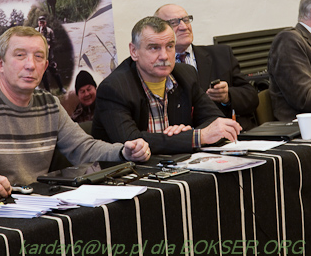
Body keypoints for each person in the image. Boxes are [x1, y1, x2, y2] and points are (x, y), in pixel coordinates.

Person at [0, 26, 150, 199]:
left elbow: (83, 148)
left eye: (38, 57)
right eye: (20, 55)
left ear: (45, 67)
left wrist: (123, 152)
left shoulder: (50, 104)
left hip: (37, 205)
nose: (30, 65)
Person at [92, 16, 242, 154]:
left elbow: (215, 120)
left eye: (170, 46)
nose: (164, 56)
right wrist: (195, 137)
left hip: (176, 165)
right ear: (134, 51)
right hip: (130, 171)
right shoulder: (114, 88)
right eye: (154, 48)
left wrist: (187, 135)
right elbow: (132, 142)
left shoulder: (186, 75)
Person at [155, 4, 259, 130]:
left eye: (186, 20)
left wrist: (227, 96)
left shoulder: (221, 55)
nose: (184, 27)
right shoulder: (156, 65)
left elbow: (251, 98)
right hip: (183, 135)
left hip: (227, 133)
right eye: (174, 23)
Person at [35, 16, 66, 93]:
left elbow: (54, 43)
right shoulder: (35, 31)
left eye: (43, 22)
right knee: (43, 74)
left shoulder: (50, 31)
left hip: (49, 55)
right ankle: (48, 91)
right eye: (40, 22)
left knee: (54, 72)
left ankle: (61, 88)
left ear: (45, 23)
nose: (41, 24)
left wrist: (50, 46)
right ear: (38, 23)